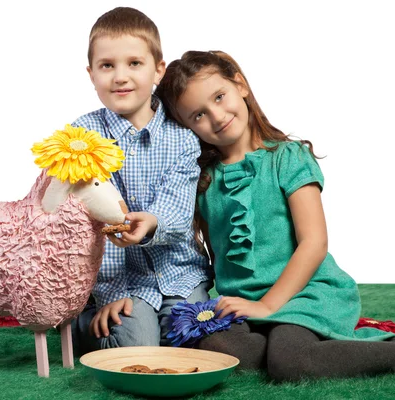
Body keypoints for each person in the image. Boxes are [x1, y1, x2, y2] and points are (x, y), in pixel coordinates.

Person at [155, 50, 395, 381]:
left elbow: (315, 242)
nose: (216, 115)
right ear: (186, 126)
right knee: (213, 347)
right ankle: (281, 343)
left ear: (239, 84)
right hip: (247, 307)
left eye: (220, 97)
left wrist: (268, 306)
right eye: (198, 115)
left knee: (290, 362)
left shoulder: (287, 157)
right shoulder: (203, 181)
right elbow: (219, 256)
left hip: (306, 293)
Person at [71, 7, 214, 355]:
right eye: (107, 66)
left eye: (134, 63)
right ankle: (81, 321)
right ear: (91, 74)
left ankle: (163, 325)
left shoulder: (181, 138)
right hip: (119, 281)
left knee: (195, 333)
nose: (120, 76)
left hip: (179, 274)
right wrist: (106, 294)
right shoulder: (81, 137)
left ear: (157, 70)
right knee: (138, 343)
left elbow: (178, 210)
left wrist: (152, 222)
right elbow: (79, 220)